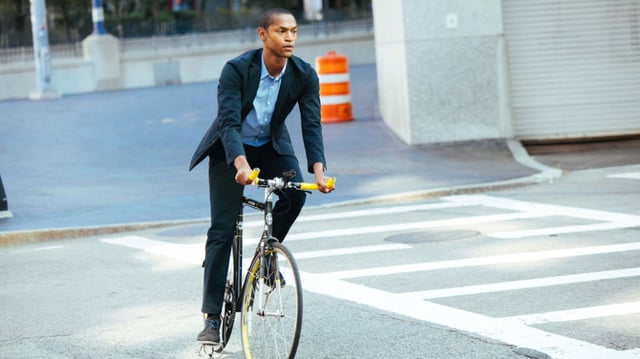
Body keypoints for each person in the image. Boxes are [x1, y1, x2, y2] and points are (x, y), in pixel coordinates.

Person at [188, 8, 334, 344]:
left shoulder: (304, 74)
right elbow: (228, 122)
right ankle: (212, 319)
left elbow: (311, 124)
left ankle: (268, 257)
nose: (290, 38)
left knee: (296, 193)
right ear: (262, 35)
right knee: (222, 230)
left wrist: (320, 172)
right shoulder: (237, 70)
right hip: (230, 149)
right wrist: (239, 163)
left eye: (294, 31)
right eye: (282, 31)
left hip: (270, 146)